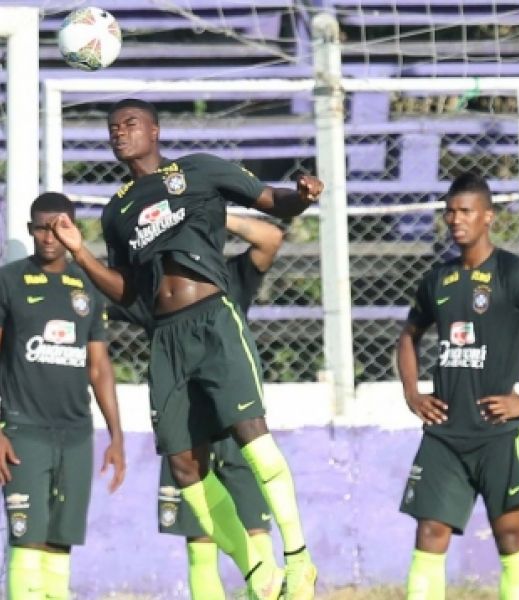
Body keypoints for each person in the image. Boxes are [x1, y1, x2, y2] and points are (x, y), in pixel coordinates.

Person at [50, 98, 319, 599]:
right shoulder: (117, 212)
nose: (119, 133)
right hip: (166, 338)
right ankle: (258, 572)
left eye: (130, 124)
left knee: (252, 437)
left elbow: (270, 201)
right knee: (184, 466)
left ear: (155, 130)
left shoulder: (197, 171)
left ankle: (300, 558)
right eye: (112, 127)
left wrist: (301, 197)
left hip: (213, 319)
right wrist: (80, 252)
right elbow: (127, 291)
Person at [396, 173, 519, 599]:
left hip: (497, 433)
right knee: (430, 531)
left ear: (488, 217)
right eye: (450, 211)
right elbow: (408, 336)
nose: (455, 220)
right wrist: (412, 392)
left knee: (510, 532)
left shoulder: (514, 274)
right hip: (445, 434)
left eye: (465, 211)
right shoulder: (437, 279)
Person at [108, 213, 284, 599]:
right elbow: (97, 297)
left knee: (257, 531)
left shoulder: (227, 276)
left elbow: (270, 238)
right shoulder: (154, 290)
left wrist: (210, 210)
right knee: (200, 541)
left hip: (235, 423)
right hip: (187, 425)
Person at [0, 192, 126, 599]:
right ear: (30, 230)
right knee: (27, 539)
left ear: (73, 230)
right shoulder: (9, 281)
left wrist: (116, 436)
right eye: (41, 228)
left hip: (76, 434)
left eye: (59, 228)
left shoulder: (88, 284)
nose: (49, 237)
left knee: (60, 543)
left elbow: (99, 367)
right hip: (24, 431)